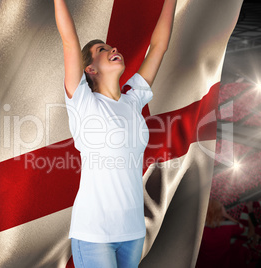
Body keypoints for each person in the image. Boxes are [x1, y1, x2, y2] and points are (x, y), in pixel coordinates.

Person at [53, 0, 176, 267]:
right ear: (90, 69)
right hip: (95, 233)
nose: (113, 49)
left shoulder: (133, 101)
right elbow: (69, 41)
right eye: (102, 49)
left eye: (111, 47)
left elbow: (159, 47)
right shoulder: (83, 102)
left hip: (132, 232)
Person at [196, 199, 247, 268]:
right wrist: (226, 215)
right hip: (222, 264)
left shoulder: (199, 229)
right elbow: (242, 228)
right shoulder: (228, 227)